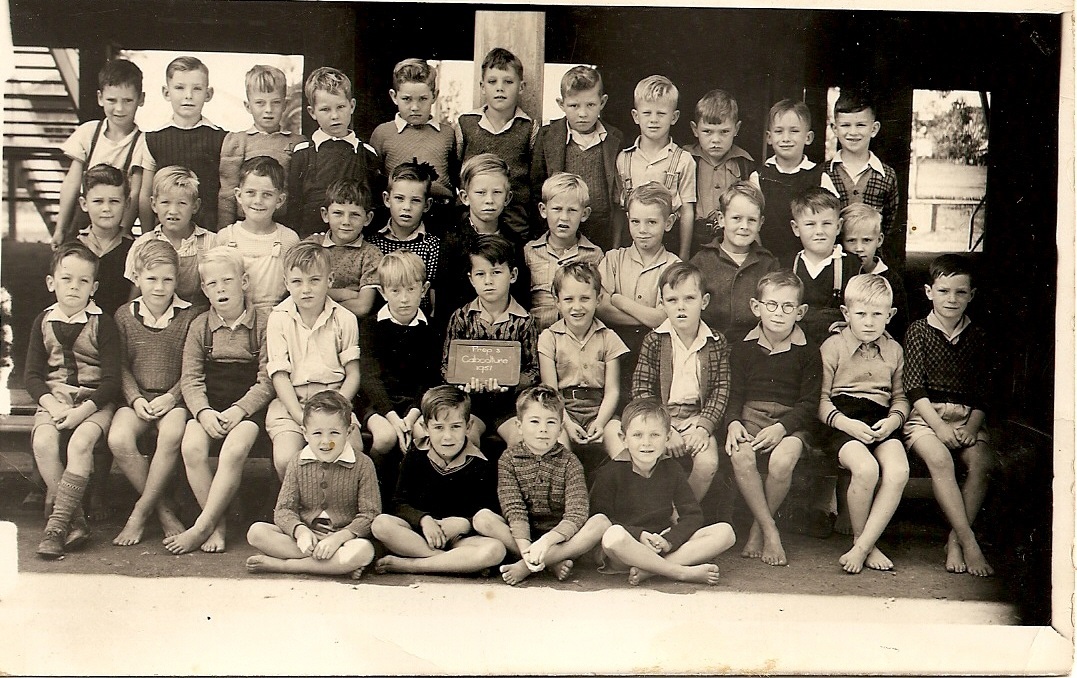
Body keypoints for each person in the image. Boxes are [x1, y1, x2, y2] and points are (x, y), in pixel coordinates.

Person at [165, 247, 274, 555]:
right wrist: (203, 412)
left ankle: (201, 526)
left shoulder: (263, 324)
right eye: (212, 284)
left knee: (234, 449)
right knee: (191, 448)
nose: (221, 288)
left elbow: (267, 380)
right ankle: (218, 522)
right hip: (209, 407)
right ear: (204, 289)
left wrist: (240, 410)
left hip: (247, 410)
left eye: (227, 280)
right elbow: (191, 378)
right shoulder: (200, 326)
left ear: (244, 282)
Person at [902, 255, 995, 577]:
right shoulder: (918, 331)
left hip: (967, 416)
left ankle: (955, 539)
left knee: (982, 464)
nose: (951, 299)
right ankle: (970, 543)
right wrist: (939, 426)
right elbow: (913, 387)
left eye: (960, 292)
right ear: (929, 292)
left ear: (972, 295)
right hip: (926, 416)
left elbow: (985, 391)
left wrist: (971, 425)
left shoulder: (979, 336)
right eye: (943, 291)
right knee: (940, 460)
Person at [26, 242, 120, 558]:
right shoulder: (42, 321)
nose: (74, 287)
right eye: (66, 279)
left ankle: (56, 526)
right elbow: (32, 377)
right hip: (54, 402)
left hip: (94, 405)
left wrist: (82, 413)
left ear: (94, 287)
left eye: (83, 281)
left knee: (80, 444)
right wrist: (51, 405)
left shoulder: (102, 323)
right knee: (43, 443)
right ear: (52, 283)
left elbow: (111, 382)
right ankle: (75, 519)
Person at [606, 262, 726, 503]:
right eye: (672, 300)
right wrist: (665, 428)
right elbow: (641, 389)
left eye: (689, 299)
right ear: (662, 303)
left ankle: (678, 514)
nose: (680, 307)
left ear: (704, 302)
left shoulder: (715, 341)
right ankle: (645, 509)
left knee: (708, 462)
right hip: (660, 417)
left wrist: (703, 427)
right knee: (636, 451)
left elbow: (720, 390)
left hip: (696, 418)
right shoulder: (655, 340)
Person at [724, 271, 821, 566]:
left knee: (781, 461)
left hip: (792, 424)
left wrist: (783, 428)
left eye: (788, 307)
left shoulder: (809, 351)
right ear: (756, 307)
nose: (779, 313)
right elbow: (733, 395)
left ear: (800, 312)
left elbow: (809, 403)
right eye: (772, 305)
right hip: (750, 417)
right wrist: (733, 422)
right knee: (741, 456)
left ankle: (757, 528)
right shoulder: (742, 348)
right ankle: (770, 528)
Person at [819, 273, 910, 574]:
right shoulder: (832, 347)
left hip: (881, 418)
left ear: (890, 315)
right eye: (860, 314)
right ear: (846, 314)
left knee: (898, 470)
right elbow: (820, 401)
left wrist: (893, 421)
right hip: (842, 421)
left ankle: (862, 545)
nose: (869, 322)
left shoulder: (895, 351)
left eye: (877, 314)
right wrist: (846, 424)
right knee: (866, 468)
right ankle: (864, 543)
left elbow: (900, 398)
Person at [473, 386, 610, 585]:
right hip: (521, 537)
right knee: (482, 519)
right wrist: (527, 547)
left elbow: (576, 514)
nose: (543, 429)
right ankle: (547, 562)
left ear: (561, 428)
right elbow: (514, 509)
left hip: (560, 538)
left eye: (551, 422)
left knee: (601, 522)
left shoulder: (570, 462)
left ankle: (528, 565)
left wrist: (547, 542)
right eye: (534, 421)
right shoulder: (508, 459)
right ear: (519, 426)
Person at [592, 397, 734, 585]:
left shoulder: (671, 468)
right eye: (637, 435)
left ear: (667, 438)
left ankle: (650, 570)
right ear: (623, 439)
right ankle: (678, 572)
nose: (646, 443)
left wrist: (669, 540)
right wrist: (639, 535)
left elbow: (692, 515)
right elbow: (600, 521)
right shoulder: (611, 472)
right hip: (627, 548)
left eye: (655, 435)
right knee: (613, 536)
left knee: (726, 532)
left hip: (660, 544)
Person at [109, 241, 196, 546]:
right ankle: (162, 510)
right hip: (137, 399)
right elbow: (119, 367)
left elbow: (192, 369)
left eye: (167, 279)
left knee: (172, 433)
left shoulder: (190, 315)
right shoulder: (123, 315)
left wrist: (171, 398)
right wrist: (135, 399)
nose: (159, 287)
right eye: (151, 279)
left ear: (177, 278)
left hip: (174, 399)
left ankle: (139, 513)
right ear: (137, 277)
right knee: (118, 438)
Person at [372, 386, 506, 575]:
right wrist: (424, 520)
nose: (447, 436)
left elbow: (492, 510)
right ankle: (456, 564)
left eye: (456, 427)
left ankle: (412, 566)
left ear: (468, 427)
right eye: (438, 428)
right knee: (381, 524)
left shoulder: (481, 463)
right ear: (425, 428)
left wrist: (464, 523)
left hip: (460, 539)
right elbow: (398, 503)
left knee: (495, 549)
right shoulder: (415, 456)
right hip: (421, 536)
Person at [246, 390, 379, 578]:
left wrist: (338, 538)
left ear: (348, 432)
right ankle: (334, 566)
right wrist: (300, 531)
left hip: (343, 539)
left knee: (363, 550)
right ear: (305, 433)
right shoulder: (298, 461)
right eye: (317, 433)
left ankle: (286, 566)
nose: (326, 441)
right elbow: (284, 510)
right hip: (307, 538)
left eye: (334, 433)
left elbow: (370, 514)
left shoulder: (363, 464)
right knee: (256, 532)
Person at [265, 242, 363, 480]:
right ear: (287, 284)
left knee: (353, 451)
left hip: (334, 399)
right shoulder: (278, 318)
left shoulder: (345, 318)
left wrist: (335, 409)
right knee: (286, 458)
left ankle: (338, 514)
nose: (306, 289)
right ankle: (296, 511)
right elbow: (279, 376)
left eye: (314, 280)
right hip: (292, 403)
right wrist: (301, 417)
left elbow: (353, 374)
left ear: (329, 280)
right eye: (297, 282)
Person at [441, 234, 539, 447]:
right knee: (466, 439)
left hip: (509, 406)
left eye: (496, 272)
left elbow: (533, 371)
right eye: (480, 274)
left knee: (521, 440)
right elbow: (446, 367)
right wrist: (463, 383)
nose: (488, 281)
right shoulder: (461, 318)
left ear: (512, 275)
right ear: (471, 279)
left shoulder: (524, 321)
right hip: (470, 405)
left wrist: (509, 383)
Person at [359, 251, 441, 496]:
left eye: (411, 289)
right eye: (395, 291)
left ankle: (416, 499)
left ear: (424, 289)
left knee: (424, 436)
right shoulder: (371, 327)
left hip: (415, 405)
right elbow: (370, 377)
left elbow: (429, 379)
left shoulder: (431, 330)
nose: (404, 299)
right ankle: (371, 492)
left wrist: (411, 417)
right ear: (383, 292)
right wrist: (394, 419)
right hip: (378, 403)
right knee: (385, 438)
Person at [537, 261, 627, 481]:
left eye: (585, 298)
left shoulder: (609, 338)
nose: (577, 307)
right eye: (568, 299)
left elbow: (612, 390)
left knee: (621, 445)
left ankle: (625, 507)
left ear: (597, 300)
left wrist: (601, 422)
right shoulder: (549, 338)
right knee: (557, 448)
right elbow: (551, 391)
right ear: (557, 303)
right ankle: (569, 506)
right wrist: (566, 422)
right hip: (562, 410)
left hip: (599, 409)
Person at [597, 181, 681, 399]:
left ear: (668, 222)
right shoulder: (613, 259)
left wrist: (619, 300)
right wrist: (647, 314)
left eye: (651, 222)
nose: (642, 230)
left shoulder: (673, 266)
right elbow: (601, 308)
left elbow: (663, 318)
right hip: (613, 346)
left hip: (654, 349)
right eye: (635, 221)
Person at [53, 59, 147, 246]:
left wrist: (123, 232)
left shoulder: (143, 142)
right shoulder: (88, 133)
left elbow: (135, 193)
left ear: (141, 99)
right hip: (83, 220)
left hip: (117, 222)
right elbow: (71, 183)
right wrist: (60, 228)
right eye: (111, 100)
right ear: (100, 97)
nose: (119, 108)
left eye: (128, 100)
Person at [530, 65, 623, 250]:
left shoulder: (615, 138)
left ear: (602, 102)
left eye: (590, 105)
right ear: (561, 104)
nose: (582, 113)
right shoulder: (549, 136)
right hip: (562, 228)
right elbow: (536, 186)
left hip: (601, 228)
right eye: (574, 106)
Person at [287, 66, 383, 238]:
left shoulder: (367, 155)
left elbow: (374, 206)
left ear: (352, 106)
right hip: (311, 244)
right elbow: (294, 205)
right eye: (325, 109)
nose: (334, 116)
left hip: (355, 245)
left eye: (340, 107)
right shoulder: (302, 154)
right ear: (312, 112)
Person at [437, 153, 530, 329]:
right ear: (465, 197)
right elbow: (444, 299)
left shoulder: (513, 242)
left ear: (507, 198)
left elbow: (521, 296)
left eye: (497, 193)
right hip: (462, 334)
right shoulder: (453, 241)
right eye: (480, 193)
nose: (489, 200)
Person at [138, 56, 227, 232]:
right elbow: (145, 194)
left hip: (208, 234)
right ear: (166, 92)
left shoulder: (222, 138)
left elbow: (226, 194)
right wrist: (147, 237)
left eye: (197, 89)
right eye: (179, 88)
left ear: (208, 94)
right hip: (165, 234)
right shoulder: (153, 139)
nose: (188, 95)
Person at [456, 47, 537, 240]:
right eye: (492, 82)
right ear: (482, 87)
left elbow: (534, 179)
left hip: (516, 224)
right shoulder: (465, 124)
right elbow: (455, 168)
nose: (500, 88)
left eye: (508, 82)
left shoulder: (530, 128)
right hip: (472, 221)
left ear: (521, 86)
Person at [614, 75, 696, 259]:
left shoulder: (683, 160)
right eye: (647, 113)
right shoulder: (624, 159)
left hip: (669, 244)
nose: (653, 120)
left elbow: (687, 211)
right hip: (632, 244)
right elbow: (619, 210)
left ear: (674, 117)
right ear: (636, 116)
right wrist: (615, 247)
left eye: (661, 114)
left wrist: (683, 255)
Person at [690, 181, 781, 342]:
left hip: (754, 347)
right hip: (710, 344)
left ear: (760, 223)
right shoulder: (701, 261)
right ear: (721, 219)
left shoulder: (768, 264)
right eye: (736, 218)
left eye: (752, 220)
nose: (744, 226)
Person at [218, 65, 305, 227]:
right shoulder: (237, 141)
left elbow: (298, 195)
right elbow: (227, 194)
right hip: (244, 225)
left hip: (283, 225)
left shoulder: (297, 143)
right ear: (248, 106)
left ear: (285, 105)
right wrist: (224, 234)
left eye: (276, 103)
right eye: (260, 103)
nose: (268, 110)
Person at [823, 88, 901, 266]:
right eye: (845, 125)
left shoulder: (886, 175)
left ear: (874, 129)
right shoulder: (822, 172)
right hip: (832, 262)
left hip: (870, 264)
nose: (853, 132)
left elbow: (888, 223)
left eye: (860, 125)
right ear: (835, 129)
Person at [124, 166, 216, 313]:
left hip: (197, 322)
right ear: (153, 204)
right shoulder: (142, 244)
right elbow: (134, 296)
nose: (173, 211)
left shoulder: (211, 243)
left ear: (195, 206)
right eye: (165, 202)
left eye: (182, 203)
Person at [749, 99, 827, 267]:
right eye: (779, 131)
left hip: (809, 263)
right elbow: (751, 221)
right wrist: (763, 260)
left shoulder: (820, 177)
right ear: (769, 137)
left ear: (808, 137)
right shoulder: (759, 177)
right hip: (768, 261)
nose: (786, 138)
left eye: (794, 131)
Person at [215, 156, 300, 310]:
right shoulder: (225, 237)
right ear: (239, 195)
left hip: (274, 316)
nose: (258, 201)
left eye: (267, 194)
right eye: (251, 193)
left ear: (280, 200)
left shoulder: (288, 239)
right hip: (234, 315)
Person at [369, 58, 457, 205]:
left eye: (423, 99)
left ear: (434, 96)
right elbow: (373, 180)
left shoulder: (447, 134)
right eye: (407, 99)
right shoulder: (382, 133)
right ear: (394, 96)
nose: (415, 107)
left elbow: (457, 179)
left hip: (440, 212)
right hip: (398, 212)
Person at [524, 172, 603, 331]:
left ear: (584, 214)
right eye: (557, 209)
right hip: (536, 334)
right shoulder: (529, 252)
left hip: (577, 336)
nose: (564, 217)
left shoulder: (594, 255)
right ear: (543, 210)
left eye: (572, 210)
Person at [367, 161, 443, 317]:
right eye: (399, 198)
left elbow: (433, 301)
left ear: (427, 205)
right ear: (387, 199)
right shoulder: (373, 243)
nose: (406, 207)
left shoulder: (432, 245)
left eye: (415, 200)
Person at [790, 187, 861, 345]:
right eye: (810, 224)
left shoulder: (852, 266)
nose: (819, 231)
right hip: (797, 347)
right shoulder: (788, 266)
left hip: (839, 347)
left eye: (827, 223)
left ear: (838, 227)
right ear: (796, 228)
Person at [687, 89, 754, 256]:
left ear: (736, 129)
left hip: (731, 239)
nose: (715, 140)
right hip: (695, 238)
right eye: (707, 131)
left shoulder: (744, 163)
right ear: (695, 129)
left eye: (724, 131)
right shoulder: (686, 159)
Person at [303, 179, 382, 318]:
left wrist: (321, 298)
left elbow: (363, 306)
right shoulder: (311, 246)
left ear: (368, 218)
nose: (346, 221)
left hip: (349, 328)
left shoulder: (371, 254)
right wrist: (345, 294)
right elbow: (298, 293)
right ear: (325, 215)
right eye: (338, 213)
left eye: (355, 215)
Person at [840, 202, 909, 341]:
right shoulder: (841, 275)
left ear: (879, 240)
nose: (859, 248)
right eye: (851, 240)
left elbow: (901, 325)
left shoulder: (890, 279)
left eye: (866, 240)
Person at [75, 164, 134, 316]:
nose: (106, 208)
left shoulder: (135, 250)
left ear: (126, 204)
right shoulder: (72, 248)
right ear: (84, 204)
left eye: (114, 201)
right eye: (98, 201)